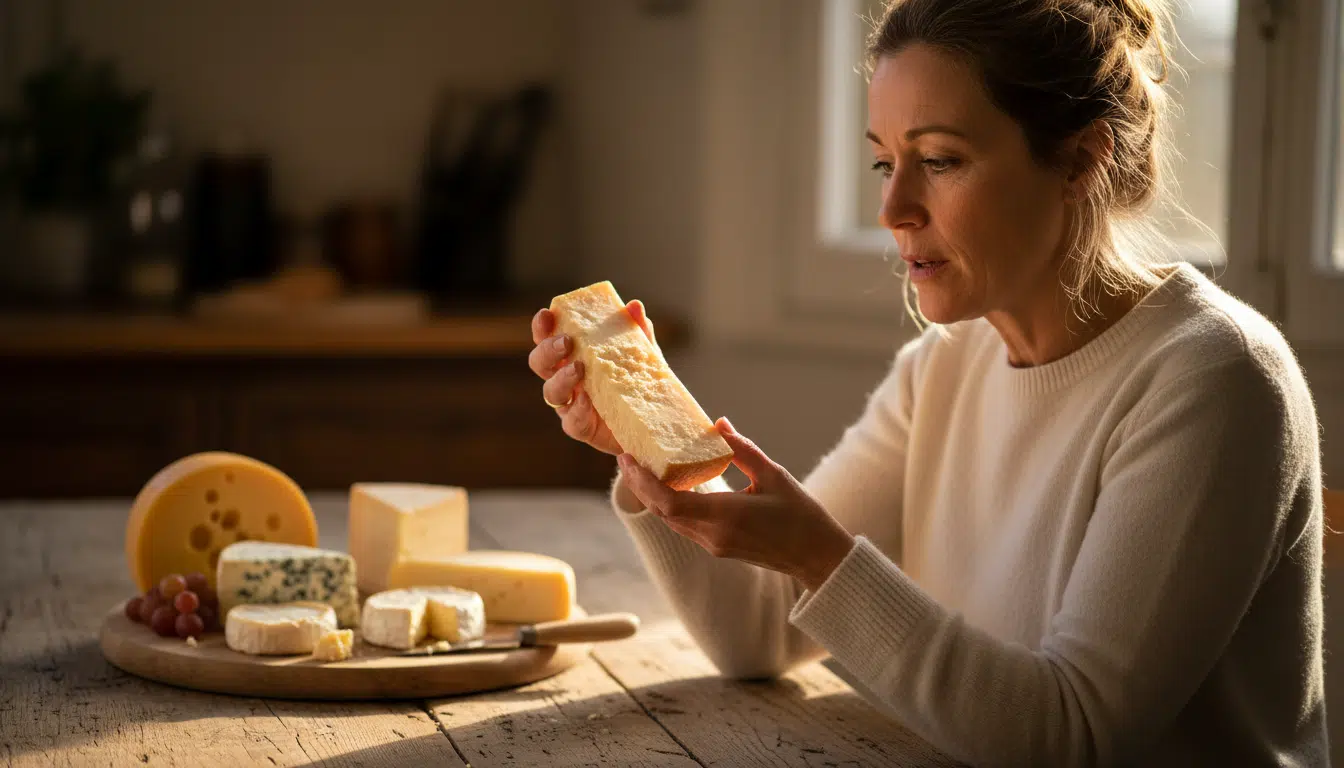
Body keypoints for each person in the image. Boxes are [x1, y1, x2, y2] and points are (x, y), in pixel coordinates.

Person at [528, 0, 1326, 764]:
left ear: (1082, 160)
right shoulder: (944, 366)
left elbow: (1075, 735)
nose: (893, 207)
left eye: (940, 160)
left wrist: (822, 558)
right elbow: (759, 636)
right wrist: (642, 445)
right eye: (885, 160)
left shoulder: (1213, 380)